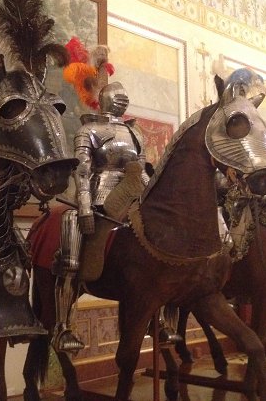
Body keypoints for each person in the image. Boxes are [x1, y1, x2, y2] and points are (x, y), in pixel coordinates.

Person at [51, 81, 151, 353]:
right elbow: (82, 169)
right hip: (97, 195)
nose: (122, 100)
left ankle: (159, 317)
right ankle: (63, 326)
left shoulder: (134, 132)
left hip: (132, 196)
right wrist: (84, 205)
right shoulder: (89, 130)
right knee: (71, 256)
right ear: (104, 99)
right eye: (117, 96)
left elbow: (141, 170)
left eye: (125, 96)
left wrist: (152, 197)